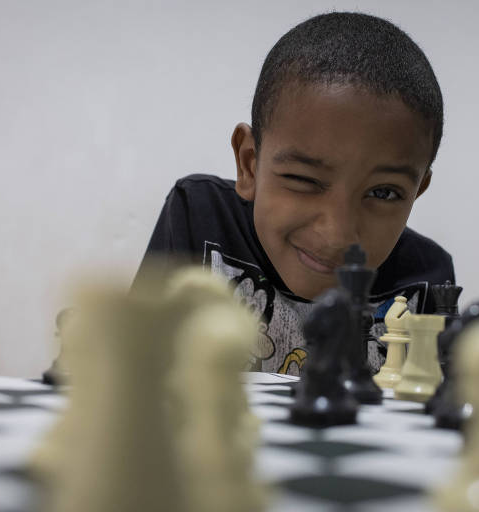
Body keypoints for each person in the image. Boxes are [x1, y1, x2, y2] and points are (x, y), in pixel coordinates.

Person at [136, 12, 455, 375]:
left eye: (383, 193)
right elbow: (135, 376)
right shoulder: (199, 216)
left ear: (416, 192)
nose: (337, 233)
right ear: (250, 164)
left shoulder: (426, 278)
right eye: (305, 180)